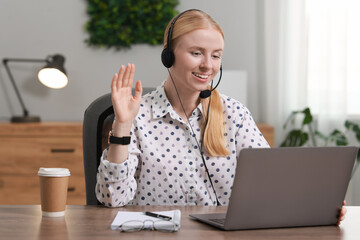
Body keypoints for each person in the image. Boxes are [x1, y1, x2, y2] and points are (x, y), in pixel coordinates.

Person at [95, 9, 346, 224]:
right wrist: (123, 125)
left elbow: (272, 184)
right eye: (196, 53)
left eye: (216, 55)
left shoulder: (234, 114)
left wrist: (318, 203)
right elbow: (112, 199)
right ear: (168, 55)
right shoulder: (139, 116)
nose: (208, 65)